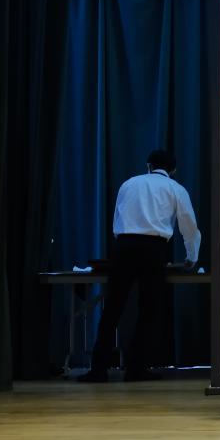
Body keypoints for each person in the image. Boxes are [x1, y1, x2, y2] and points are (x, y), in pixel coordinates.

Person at [78, 149, 200, 382]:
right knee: (148, 311)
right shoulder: (176, 189)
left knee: (112, 309)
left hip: (124, 247)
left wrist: (123, 243)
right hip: (154, 250)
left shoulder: (129, 184)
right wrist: (191, 257)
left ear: (148, 166)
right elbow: (189, 227)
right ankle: (136, 369)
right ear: (173, 170)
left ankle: (98, 370)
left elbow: (118, 219)